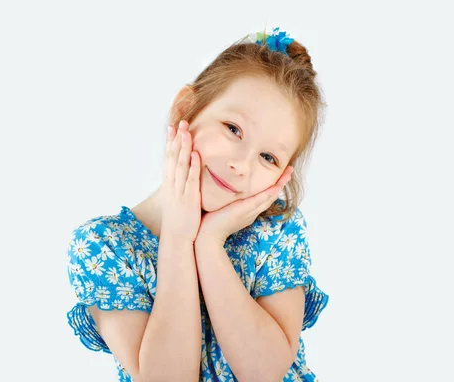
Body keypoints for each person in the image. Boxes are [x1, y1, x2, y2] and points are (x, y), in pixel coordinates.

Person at [65, 27, 329, 382]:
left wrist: (208, 244)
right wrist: (178, 236)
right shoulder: (107, 245)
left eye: (268, 157)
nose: (242, 165)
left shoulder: (276, 231)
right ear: (185, 109)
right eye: (233, 129)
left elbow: (263, 371)